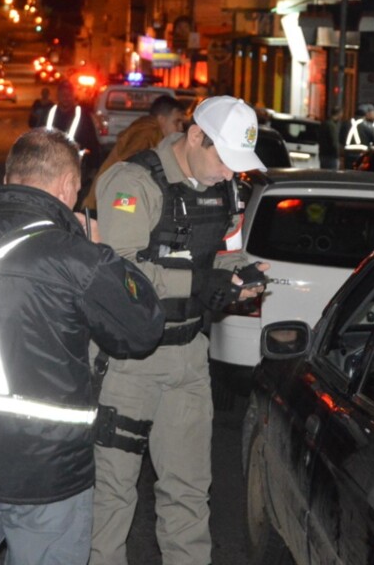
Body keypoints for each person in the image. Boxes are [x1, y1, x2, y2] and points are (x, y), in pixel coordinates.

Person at [0, 129, 165, 564]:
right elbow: (143, 329)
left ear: (9, 176)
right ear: (68, 186)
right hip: (49, 475)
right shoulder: (79, 257)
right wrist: (107, 250)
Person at [90, 96, 269, 565]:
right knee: (112, 498)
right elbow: (120, 274)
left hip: (190, 356)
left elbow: (216, 256)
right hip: (130, 363)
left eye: (238, 165)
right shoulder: (133, 182)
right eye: (224, 159)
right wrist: (201, 281)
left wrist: (240, 274)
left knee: (189, 496)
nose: (230, 174)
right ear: (195, 137)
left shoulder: (225, 190)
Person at [82, 94, 186, 210]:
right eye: (177, 122)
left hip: (109, 197)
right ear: (162, 119)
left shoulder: (149, 132)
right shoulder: (147, 133)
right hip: (113, 199)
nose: (181, 128)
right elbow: (129, 170)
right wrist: (129, 209)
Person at [44, 79, 103, 186]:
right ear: (58, 95)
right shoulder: (49, 112)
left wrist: (94, 167)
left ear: (73, 95)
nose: (66, 97)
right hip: (51, 167)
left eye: (69, 94)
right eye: (63, 94)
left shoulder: (83, 115)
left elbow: (92, 141)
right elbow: (38, 136)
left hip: (75, 168)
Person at [318, 105, 343, 169]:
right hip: (331, 156)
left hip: (323, 154)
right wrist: (338, 155)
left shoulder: (324, 123)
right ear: (339, 114)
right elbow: (334, 143)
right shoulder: (332, 126)